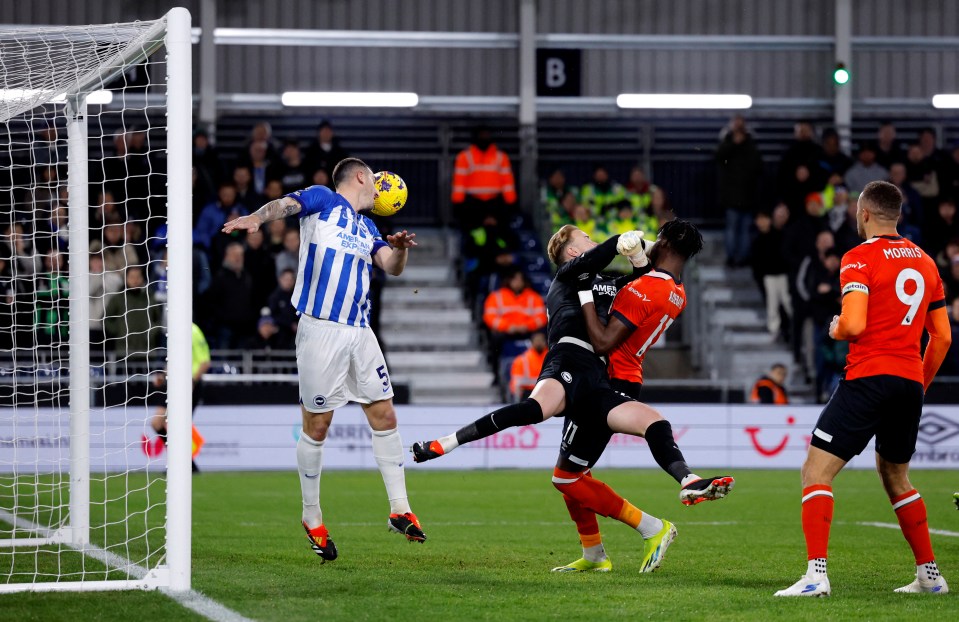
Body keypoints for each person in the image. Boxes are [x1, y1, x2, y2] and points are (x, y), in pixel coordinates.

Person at [412, 224, 733, 569]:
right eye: (586, 239)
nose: (592, 243)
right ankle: (448, 442)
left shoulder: (599, 285)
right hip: (568, 359)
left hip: (596, 376)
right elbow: (601, 262)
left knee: (574, 473)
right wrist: (623, 240)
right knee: (542, 424)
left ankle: (642, 524)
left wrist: (639, 255)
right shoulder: (567, 275)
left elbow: (641, 282)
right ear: (572, 252)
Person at [222, 157, 424, 562]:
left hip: (360, 332)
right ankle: (311, 516)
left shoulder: (368, 228)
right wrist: (259, 218)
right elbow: (285, 205)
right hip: (320, 329)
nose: (382, 191)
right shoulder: (324, 200)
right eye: (378, 182)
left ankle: (399, 508)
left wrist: (400, 250)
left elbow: (391, 267)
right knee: (318, 424)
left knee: (384, 415)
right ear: (361, 177)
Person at [775, 180, 952, 597]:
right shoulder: (927, 262)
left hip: (869, 376)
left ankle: (816, 575)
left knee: (815, 471)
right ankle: (930, 576)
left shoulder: (858, 257)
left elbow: (853, 324)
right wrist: (918, 384)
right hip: (908, 381)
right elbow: (942, 338)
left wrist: (837, 327)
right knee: (897, 477)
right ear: (898, 215)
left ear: (865, 213)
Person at [557, 219, 732, 572]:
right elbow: (641, 277)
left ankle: (654, 526)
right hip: (624, 374)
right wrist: (636, 258)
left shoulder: (646, 289)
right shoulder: (676, 290)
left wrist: (587, 294)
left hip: (608, 379)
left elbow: (604, 341)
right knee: (574, 473)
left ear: (664, 243)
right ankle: (594, 554)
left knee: (567, 478)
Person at [151, 323, 212, 473]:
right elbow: (174, 360)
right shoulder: (174, 329)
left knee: (179, 425)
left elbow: (205, 362)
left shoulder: (194, 331)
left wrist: (192, 381)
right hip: (172, 383)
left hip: (189, 384)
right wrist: (162, 375)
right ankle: (183, 462)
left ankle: (182, 464)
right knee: (157, 423)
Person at [451, 125, 517, 230]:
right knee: (474, 233)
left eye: (486, 135)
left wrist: (510, 203)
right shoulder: (464, 157)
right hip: (473, 203)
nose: (484, 138)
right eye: (482, 135)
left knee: (499, 231)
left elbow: (507, 182)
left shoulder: (501, 157)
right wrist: (458, 204)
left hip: (495, 202)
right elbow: (459, 183)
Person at [508, 331, 547, 402]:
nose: (539, 343)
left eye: (541, 340)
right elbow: (516, 383)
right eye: (537, 340)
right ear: (531, 343)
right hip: (528, 394)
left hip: (547, 392)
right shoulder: (521, 360)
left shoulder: (551, 358)